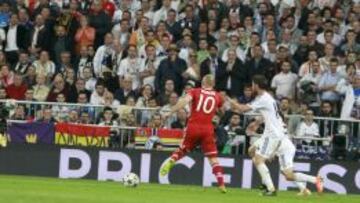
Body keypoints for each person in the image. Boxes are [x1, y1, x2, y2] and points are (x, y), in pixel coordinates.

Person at [228, 74, 323, 196]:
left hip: (273, 135)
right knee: (253, 152)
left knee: (259, 160)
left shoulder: (264, 99)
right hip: (274, 134)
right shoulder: (267, 97)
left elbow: (243, 109)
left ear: (256, 85)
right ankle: (313, 181)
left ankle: (270, 188)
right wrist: (258, 122)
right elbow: (269, 114)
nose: (251, 86)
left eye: (252, 84)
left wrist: (230, 100)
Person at [160, 74, 227, 193]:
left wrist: (170, 112)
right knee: (212, 158)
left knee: (183, 149)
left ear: (203, 82)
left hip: (193, 126)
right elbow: (222, 111)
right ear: (213, 84)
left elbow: (183, 101)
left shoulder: (195, 91)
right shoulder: (218, 96)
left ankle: (172, 160)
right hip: (208, 129)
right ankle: (221, 184)